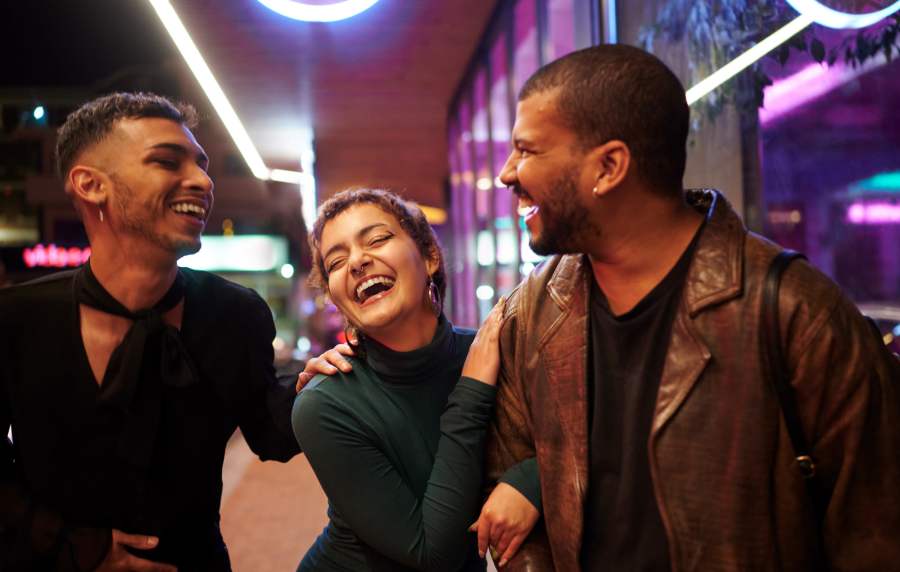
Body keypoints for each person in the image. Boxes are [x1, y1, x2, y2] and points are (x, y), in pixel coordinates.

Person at [479, 44, 900, 571]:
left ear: (609, 167)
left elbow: (876, 535)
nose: (506, 173)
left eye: (527, 150)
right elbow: (512, 482)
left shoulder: (793, 311)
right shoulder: (533, 314)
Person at [0, 92, 300, 571]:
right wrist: (81, 549)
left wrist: (346, 370)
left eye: (203, 165)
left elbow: (273, 433)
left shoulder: (235, 314)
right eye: (166, 160)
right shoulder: (17, 318)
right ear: (89, 185)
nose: (203, 181)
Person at [291, 188, 539, 571]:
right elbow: (432, 553)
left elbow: (591, 436)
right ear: (335, 298)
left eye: (377, 239)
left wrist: (529, 481)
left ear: (429, 256)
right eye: (336, 261)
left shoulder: (493, 351)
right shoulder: (323, 403)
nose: (357, 261)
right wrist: (471, 393)